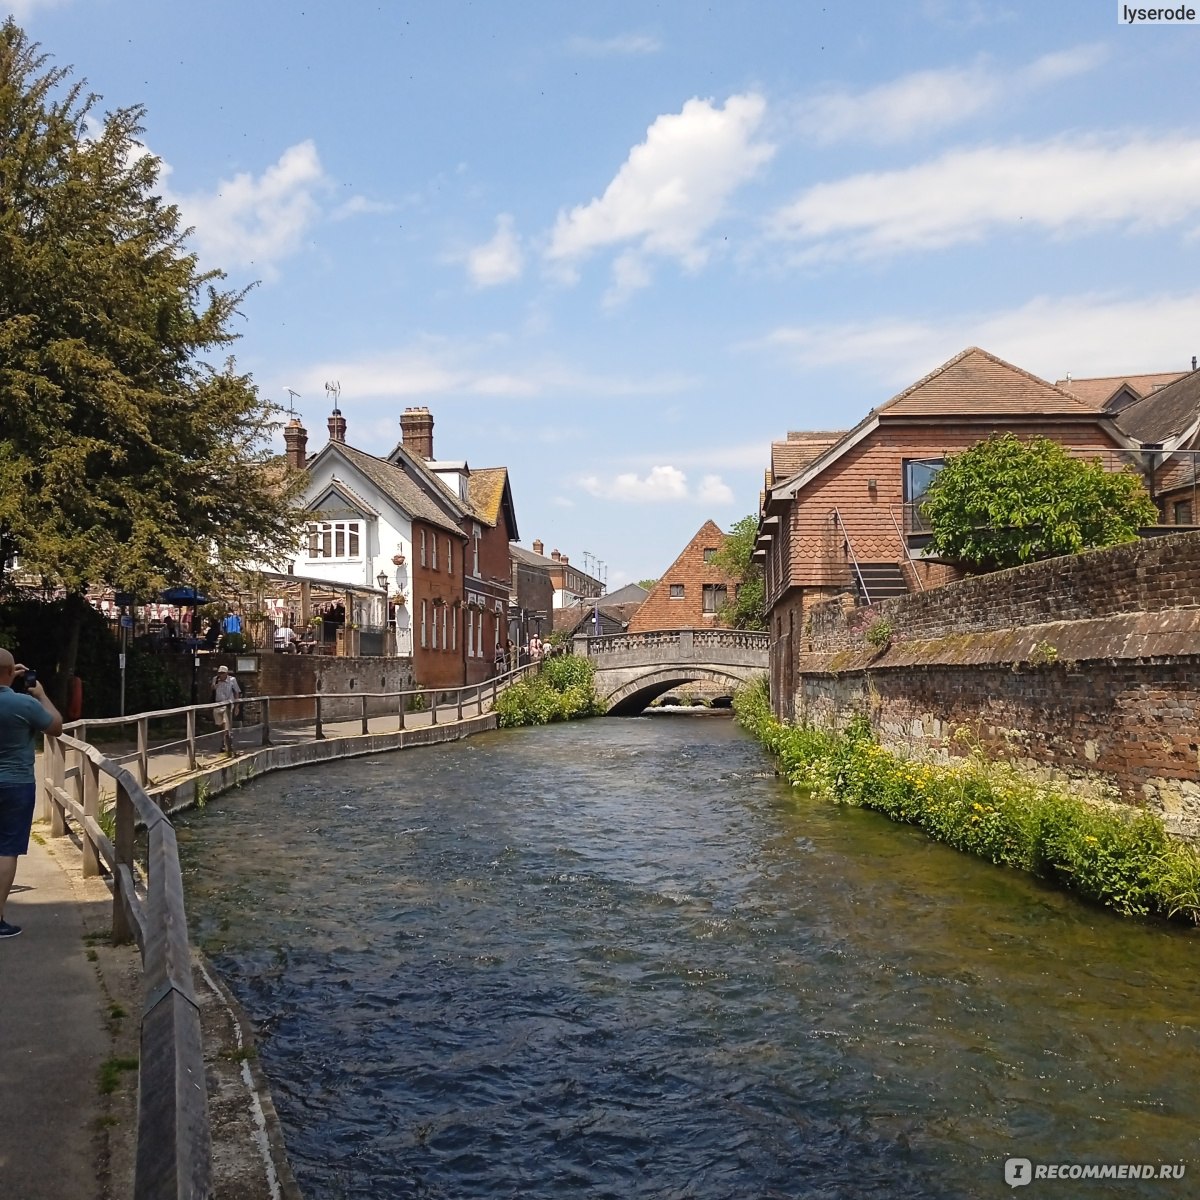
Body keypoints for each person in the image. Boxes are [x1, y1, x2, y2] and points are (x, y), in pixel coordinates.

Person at [0, 649, 63, 939]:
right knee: (6, 850)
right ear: (11, 671)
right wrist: (41, 694)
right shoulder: (23, 704)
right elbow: (55, 727)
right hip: (16, 783)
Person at [211, 665, 243, 744]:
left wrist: (237, 706)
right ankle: (225, 737)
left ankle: (225, 742)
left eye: (222, 673)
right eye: (219, 673)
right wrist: (215, 684)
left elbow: (237, 692)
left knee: (226, 722)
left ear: (226, 673)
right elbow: (212, 689)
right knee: (219, 724)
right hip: (218, 704)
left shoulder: (232, 680)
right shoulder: (215, 679)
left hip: (228, 704)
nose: (220, 674)